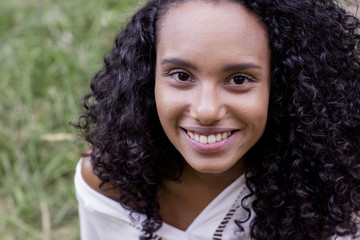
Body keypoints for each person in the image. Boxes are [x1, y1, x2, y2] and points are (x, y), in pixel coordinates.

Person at [73, 0, 360, 239]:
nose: (206, 111)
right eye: (182, 76)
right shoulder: (110, 179)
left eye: (239, 79)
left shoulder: (331, 182)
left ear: (285, 84)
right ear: (148, 79)